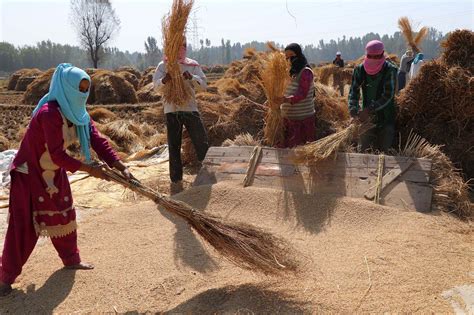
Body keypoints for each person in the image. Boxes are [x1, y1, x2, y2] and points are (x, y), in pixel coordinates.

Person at [0, 63, 135, 296]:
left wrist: (120, 166)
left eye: (86, 90)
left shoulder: (79, 113)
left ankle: (71, 259)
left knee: (64, 213)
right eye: (78, 89)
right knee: (24, 226)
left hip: (53, 170)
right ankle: (5, 278)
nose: (82, 94)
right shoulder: (49, 114)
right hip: (29, 173)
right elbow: (57, 154)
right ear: (66, 88)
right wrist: (90, 170)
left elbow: (98, 140)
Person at [153, 39, 208, 194]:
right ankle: (176, 181)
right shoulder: (163, 65)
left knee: (201, 142)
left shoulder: (192, 64)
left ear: (186, 47)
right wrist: (165, 79)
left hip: (190, 108)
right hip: (172, 110)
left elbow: (204, 85)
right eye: (176, 46)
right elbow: (155, 86)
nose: (179, 50)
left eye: (182, 46)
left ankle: (208, 176)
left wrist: (191, 77)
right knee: (174, 146)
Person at [348, 40, 398, 153]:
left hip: (385, 117)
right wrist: (353, 111)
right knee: (363, 150)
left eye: (376, 57)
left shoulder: (390, 70)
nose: (373, 59)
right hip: (366, 120)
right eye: (370, 56)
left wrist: (369, 109)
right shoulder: (359, 70)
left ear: (382, 54)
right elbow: (353, 92)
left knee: (384, 151)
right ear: (366, 55)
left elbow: (388, 95)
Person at [278, 43, 316, 148]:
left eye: (292, 55)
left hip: (302, 119)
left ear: (298, 55)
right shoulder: (288, 73)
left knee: (301, 151)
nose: (289, 59)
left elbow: (303, 94)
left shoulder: (306, 72)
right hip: (288, 119)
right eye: (287, 57)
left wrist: (286, 100)